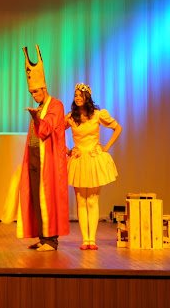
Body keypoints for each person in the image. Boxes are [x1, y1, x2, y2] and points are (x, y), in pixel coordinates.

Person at [19, 45, 69, 252]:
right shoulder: (39, 107)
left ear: (44, 88)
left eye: (35, 91)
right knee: (35, 198)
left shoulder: (55, 106)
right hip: (34, 157)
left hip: (47, 160)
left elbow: (46, 129)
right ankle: (42, 237)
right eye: (31, 92)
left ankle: (51, 240)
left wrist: (36, 118)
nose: (33, 95)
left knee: (47, 198)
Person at [66, 82, 122, 250]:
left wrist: (106, 147)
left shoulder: (97, 115)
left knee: (92, 199)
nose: (77, 98)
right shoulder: (71, 117)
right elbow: (55, 132)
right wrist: (67, 150)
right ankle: (85, 239)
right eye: (75, 95)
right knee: (80, 200)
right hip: (78, 159)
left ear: (87, 98)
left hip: (94, 158)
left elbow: (117, 128)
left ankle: (92, 239)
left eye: (80, 95)